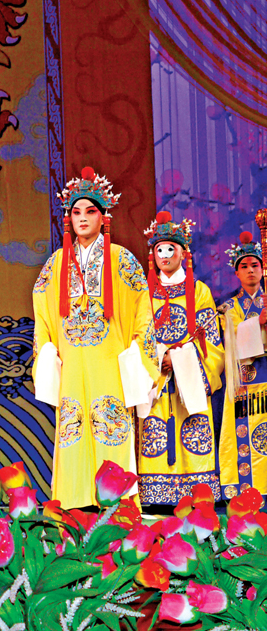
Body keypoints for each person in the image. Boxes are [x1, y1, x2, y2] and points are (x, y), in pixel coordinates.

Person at [32, 167, 157, 509]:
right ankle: (74, 505)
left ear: (104, 217)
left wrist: (137, 353)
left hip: (109, 361)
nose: (83, 218)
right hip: (73, 363)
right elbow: (42, 309)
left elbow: (143, 310)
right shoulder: (57, 263)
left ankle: (117, 507)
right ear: (69, 219)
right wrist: (47, 351)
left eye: (90, 211)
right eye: (76, 212)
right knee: (72, 428)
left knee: (110, 426)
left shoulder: (121, 259)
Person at [137, 212, 223, 504]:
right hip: (157, 380)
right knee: (155, 434)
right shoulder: (144, 293)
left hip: (190, 378)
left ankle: (197, 496)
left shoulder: (199, 292)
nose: (164, 255)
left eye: (170, 249)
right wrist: (159, 358)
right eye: (159, 250)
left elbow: (211, 341)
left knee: (193, 431)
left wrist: (179, 360)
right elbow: (138, 336)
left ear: (183, 253)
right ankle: (157, 497)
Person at [218, 231, 267, 499]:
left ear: (262, 268)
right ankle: (246, 493)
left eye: (255, 265)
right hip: (245, 382)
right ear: (236, 273)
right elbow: (233, 336)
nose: (250, 270)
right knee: (246, 437)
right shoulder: (229, 307)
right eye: (244, 266)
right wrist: (258, 322)